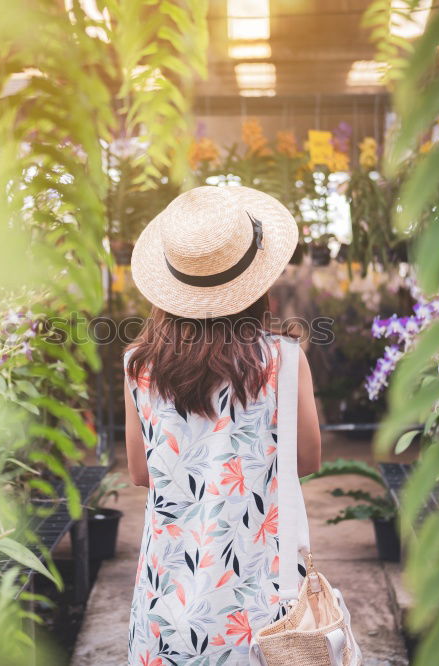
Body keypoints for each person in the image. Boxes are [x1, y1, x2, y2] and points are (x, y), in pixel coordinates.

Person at [123, 186, 321, 665]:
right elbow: (309, 459)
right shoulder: (284, 359)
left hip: (166, 596)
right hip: (261, 599)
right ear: (256, 282)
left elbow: (139, 472)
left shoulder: (139, 365)